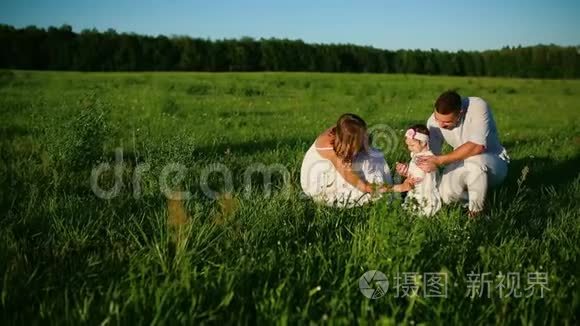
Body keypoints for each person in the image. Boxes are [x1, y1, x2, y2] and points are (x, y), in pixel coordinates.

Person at [399, 90, 509, 217]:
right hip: (460, 162)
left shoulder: (478, 107)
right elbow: (429, 157)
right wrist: (409, 173)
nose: (440, 124)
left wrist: (440, 161)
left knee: (475, 162)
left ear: (460, 113)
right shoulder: (433, 122)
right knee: (445, 195)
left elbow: (477, 146)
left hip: (492, 163)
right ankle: (478, 200)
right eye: (437, 118)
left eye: (446, 122)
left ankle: (476, 213)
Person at [300, 113, 394, 208]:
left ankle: (383, 184)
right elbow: (348, 174)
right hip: (318, 176)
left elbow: (366, 140)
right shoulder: (331, 148)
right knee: (359, 167)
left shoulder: (345, 132)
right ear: (350, 142)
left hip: (343, 158)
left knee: (371, 154)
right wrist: (366, 187)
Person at [395, 124, 442, 216]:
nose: (409, 148)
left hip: (425, 188)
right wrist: (405, 171)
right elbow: (414, 171)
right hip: (416, 187)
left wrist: (409, 174)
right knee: (413, 199)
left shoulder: (428, 158)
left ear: (423, 143)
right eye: (408, 145)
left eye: (412, 145)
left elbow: (420, 174)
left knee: (423, 203)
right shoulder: (417, 154)